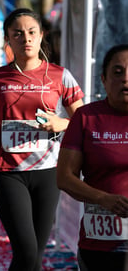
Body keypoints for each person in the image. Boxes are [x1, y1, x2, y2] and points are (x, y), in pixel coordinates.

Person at [0, 8, 84, 271]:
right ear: (8, 40)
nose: (25, 38)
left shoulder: (61, 76)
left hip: (48, 173)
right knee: (26, 252)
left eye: (31, 32)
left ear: (41, 36)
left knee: (34, 257)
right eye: (18, 33)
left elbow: (86, 125)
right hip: (8, 173)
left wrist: (61, 123)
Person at [57, 44, 128, 271]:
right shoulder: (86, 117)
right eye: (118, 72)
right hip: (99, 242)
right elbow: (65, 177)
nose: (126, 78)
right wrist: (103, 199)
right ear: (103, 79)